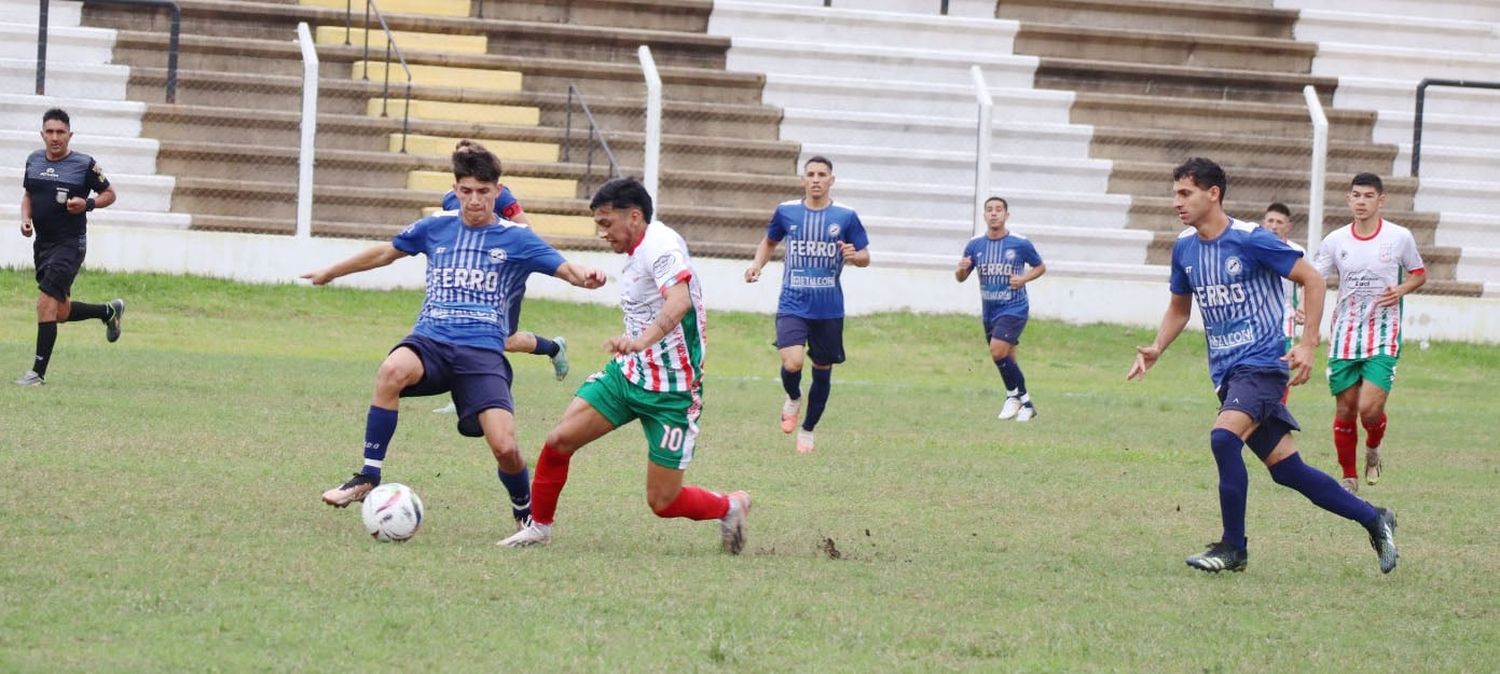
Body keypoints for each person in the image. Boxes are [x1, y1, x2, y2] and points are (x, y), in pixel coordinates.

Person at [304, 146, 606, 535]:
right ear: (455, 189)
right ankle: (367, 475)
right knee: (392, 370)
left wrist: (585, 277)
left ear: (498, 191)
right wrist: (331, 271)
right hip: (431, 340)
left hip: (482, 353)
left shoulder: (517, 238)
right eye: (467, 191)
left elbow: (564, 266)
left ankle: (524, 512)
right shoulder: (435, 227)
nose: (475, 200)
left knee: (505, 448)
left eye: (483, 191)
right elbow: (385, 252)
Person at [1127, 158, 1397, 574]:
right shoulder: (1184, 246)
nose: (1176, 201)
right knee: (1288, 470)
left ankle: (1233, 548)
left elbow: (1312, 278)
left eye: (1185, 193)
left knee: (1223, 438)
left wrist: (1308, 344)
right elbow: (1180, 308)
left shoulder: (1252, 240)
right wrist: (1157, 347)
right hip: (1227, 373)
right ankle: (1373, 517)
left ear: (1212, 193)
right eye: (1175, 193)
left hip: (1263, 366)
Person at [499, 177, 751, 554]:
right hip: (628, 375)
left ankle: (729, 505)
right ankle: (539, 528)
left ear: (634, 217)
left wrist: (640, 341)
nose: (602, 233)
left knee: (662, 501)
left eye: (606, 223)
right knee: (558, 442)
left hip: (672, 391)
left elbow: (678, 300)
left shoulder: (660, 246)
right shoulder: (638, 250)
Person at [743, 155, 871, 453]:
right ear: (803, 179)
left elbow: (865, 256)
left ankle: (809, 429)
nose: (816, 179)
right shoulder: (786, 212)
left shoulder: (846, 216)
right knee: (793, 362)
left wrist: (855, 256)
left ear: (831, 180)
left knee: (822, 368)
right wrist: (757, 265)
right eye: (810, 174)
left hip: (828, 309)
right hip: (792, 303)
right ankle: (793, 397)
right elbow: (769, 241)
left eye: (822, 174)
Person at [429, 140, 568, 415]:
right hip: (467, 278)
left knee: (499, 337)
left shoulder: (501, 196)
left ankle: (551, 349)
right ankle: (552, 348)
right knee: (472, 330)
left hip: (502, 281)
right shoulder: (451, 197)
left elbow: (526, 230)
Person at [1312, 173, 1426, 492]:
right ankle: (1349, 477)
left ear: (1381, 200)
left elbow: (1419, 273)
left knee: (1369, 409)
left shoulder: (1399, 237)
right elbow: (1315, 279)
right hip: (1344, 336)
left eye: (1368, 196)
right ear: (1348, 199)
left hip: (1382, 335)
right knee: (1346, 409)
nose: (1361, 202)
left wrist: (1401, 289)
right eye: (1356, 196)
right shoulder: (1335, 241)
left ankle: (1373, 447)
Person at [15, 108, 124, 386]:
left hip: (70, 245)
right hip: (43, 246)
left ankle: (37, 373)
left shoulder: (84, 164)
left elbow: (110, 194)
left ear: (69, 135)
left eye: (60, 132)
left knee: (44, 304)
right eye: (50, 132)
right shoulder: (34, 161)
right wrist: (26, 219)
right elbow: (28, 195)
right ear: (42, 134)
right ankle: (108, 311)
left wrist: (86, 204)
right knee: (59, 312)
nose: (55, 137)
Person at [955, 196, 1046, 421]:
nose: (994, 213)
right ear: (984, 215)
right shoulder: (975, 244)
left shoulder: (1020, 243)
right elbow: (961, 278)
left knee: (997, 350)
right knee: (1007, 357)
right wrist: (961, 269)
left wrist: (1023, 279)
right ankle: (1026, 403)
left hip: (1014, 307)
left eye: (998, 210)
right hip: (990, 310)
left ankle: (1011, 396)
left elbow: (1040, 266)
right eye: (989, 210)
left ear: (1007, 215)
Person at [1261, 202, 1305, 355]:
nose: (1274, 226)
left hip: (1285, 317)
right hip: (1256, 318)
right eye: (1270, 221)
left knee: (1281, 365)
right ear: (1263, 223)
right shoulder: (1252, 248)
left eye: (1279, 222)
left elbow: (1308, 281)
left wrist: (1303, 305)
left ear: (1288, 226)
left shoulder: (1296, 251)